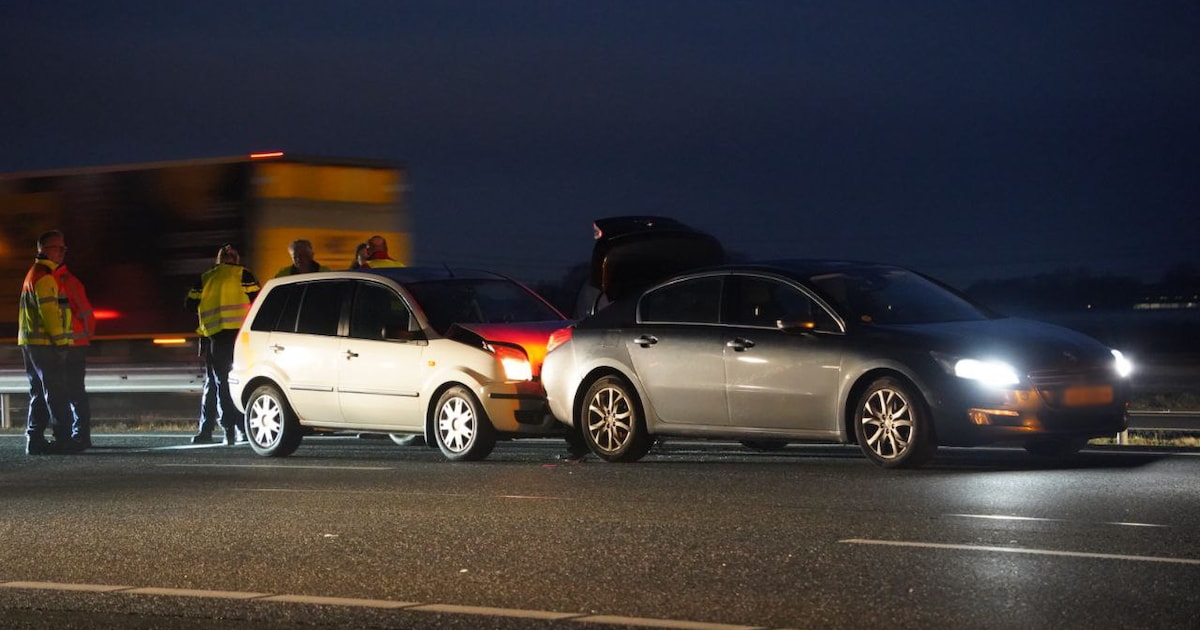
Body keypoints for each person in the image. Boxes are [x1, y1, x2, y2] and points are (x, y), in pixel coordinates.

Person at [186, 244, 260, 445]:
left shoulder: (206, 278)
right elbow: (258, 301)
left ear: (218, 260)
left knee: (217, 384)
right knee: (239, 382)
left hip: (213, 338)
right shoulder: (244, 275)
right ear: (236, 259)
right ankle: (241, 429)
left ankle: (214, 429)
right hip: (240, 339)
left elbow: (190, 304)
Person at [18, 230, 80, 454]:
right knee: (56, 392)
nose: (62, 251)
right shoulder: (44, 277)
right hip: (45, 344)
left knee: (39, 391)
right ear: (42, 250)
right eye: (57, 247)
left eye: (63, 247)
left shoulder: (36, 274)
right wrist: (62, 342)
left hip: (32, 343)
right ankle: (63, 438)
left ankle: (34, 439)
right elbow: (51, 315)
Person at [55, 257, 96, 448]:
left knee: (73, 390)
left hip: (73, 344)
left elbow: (84, 311)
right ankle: (78, 434)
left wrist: (85, 336)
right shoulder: (56, 280)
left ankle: (80, 435)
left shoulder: (66, 281)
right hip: (68, 343)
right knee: (71, 391)